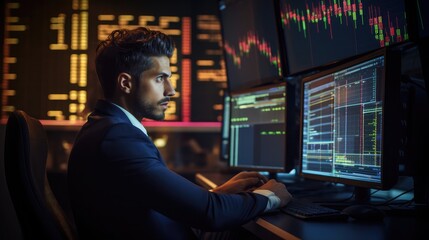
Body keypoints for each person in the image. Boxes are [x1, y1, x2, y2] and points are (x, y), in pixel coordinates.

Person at [67, 27, 292, 240]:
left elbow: (149, 202)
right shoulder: (117, 139)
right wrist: (270, 197)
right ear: (126, 83)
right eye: (159, 78)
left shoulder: (105, 128)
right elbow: (210, 214)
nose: (171, 90)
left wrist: (217, 194)